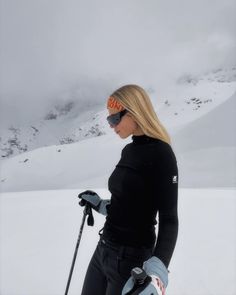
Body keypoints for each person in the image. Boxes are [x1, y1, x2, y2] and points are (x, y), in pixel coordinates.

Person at [79, 84, 179, 295]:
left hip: (131, 261)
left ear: (134, 112)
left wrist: (157, 273)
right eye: (109, 120)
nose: (111, 125)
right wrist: (99, 204)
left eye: (115, 119)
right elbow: (128, 202)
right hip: (103, 250)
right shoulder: (129, 150)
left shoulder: (162, 154)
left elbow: (169, 219)